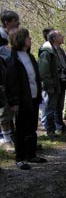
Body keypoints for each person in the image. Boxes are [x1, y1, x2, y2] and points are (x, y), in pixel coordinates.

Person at [7, 28, 47, 170]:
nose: (30, 39)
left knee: (32, 128)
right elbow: (11, 82)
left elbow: (35, 78)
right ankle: (20, 158)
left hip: (33, 98)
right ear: (20, 39)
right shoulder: (14, 58)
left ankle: (31, 155)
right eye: (27, 37)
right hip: (21, 100)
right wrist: (14, 102)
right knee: (21, 130)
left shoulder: (29, 57)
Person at [39, 30, 66, 140]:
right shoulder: (47, 52)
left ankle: (60, 127)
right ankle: (50, 130)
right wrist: (49, 85)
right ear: (54, 39)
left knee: (59, 107)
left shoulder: (60, 50)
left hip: (61, 83)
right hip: (52, 85)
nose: (62, 36)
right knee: (50, 108)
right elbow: (44, 71)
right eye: (60, 35)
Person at [0, 10, 20, 152]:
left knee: (13, 109)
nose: (18, 24)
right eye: (15, 21)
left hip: (13, 80)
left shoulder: (14, 38)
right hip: (2, 80)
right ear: (6, 22)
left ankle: (14, 138)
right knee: (4, 110)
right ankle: (5, 140)